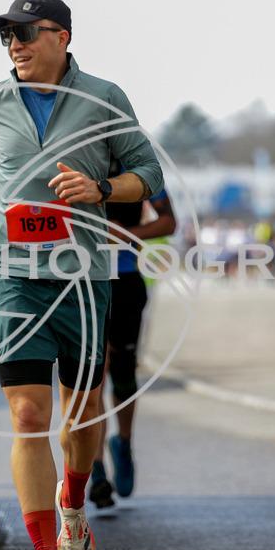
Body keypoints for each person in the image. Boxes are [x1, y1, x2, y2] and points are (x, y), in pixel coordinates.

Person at [0, 0, 164, 550]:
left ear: (61, 37)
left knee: (82, 416)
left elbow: (148, 173)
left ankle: (74, 498)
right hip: (13, 273)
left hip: (85, 278)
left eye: (24, 34)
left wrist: (99, 188)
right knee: (26, 415)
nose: (13, 45)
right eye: (6, 37)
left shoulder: (105, 98)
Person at [89, 163, 176, 509]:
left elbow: (169, 221)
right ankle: (94, 468)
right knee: (91, 377)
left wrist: (129, 233)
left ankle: (122, 444)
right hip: (82, 279)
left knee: (122, 374)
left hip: (125, 279)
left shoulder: (136, 168)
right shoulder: (72, 162)